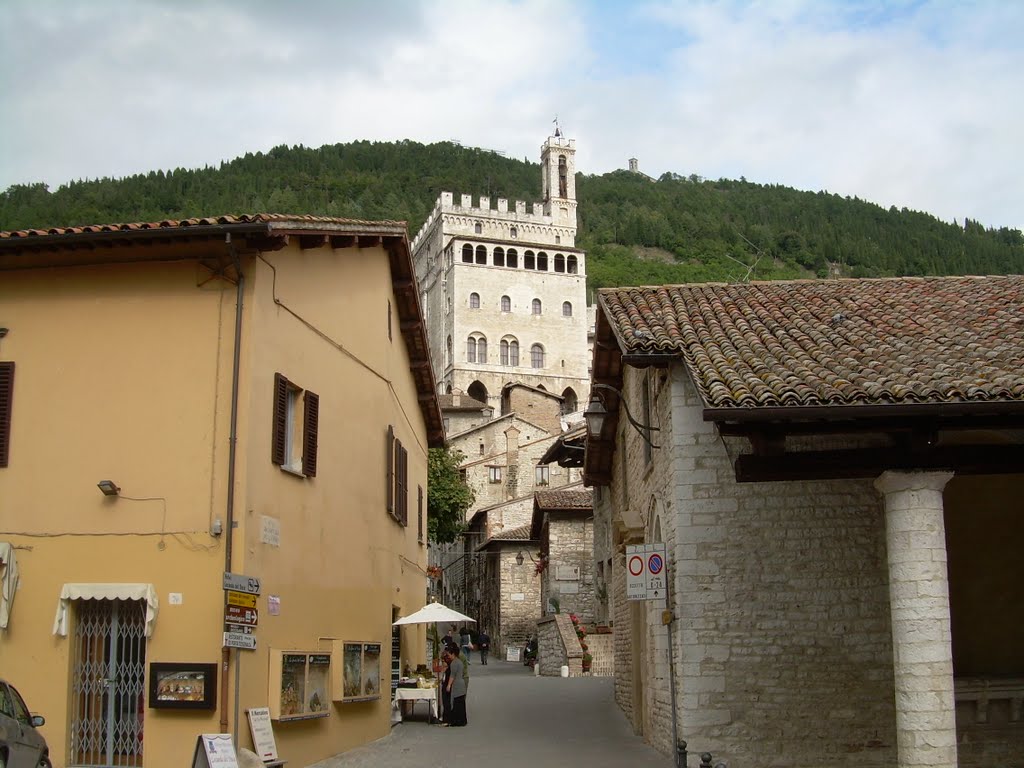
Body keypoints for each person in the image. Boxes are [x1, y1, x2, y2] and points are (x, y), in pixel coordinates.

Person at [447, 645, 467, 727]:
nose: (448, 656)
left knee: (455, 702)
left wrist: (448, 685)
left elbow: (452, 675)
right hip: (462, 683)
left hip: (457, 684)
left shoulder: (454, 663)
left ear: (453, 654)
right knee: (461, 702)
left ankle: (455, 720)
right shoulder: (460, 662)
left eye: (449, 655)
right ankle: (462, 720)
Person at [437, 648, 452, 726]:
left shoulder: (449, 670)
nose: (441, 663)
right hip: (445, 686)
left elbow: (447, 679)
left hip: (446, 688)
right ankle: (444, 718)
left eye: (443, 661)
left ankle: (446, 720)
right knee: (445, 703)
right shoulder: (446, 670)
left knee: (446, 703)